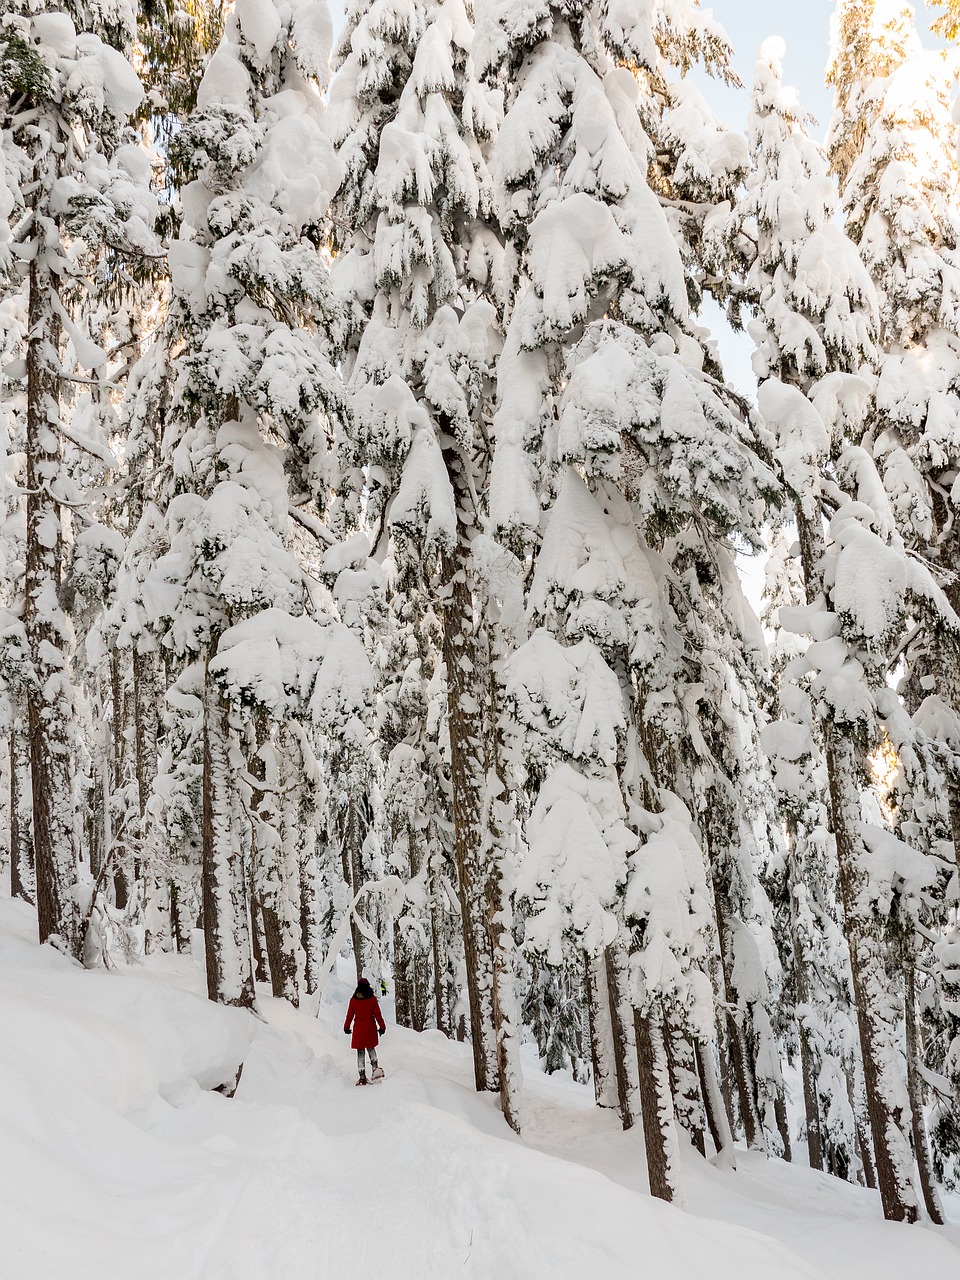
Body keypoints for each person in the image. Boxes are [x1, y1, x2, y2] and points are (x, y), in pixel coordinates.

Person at [344, 976, 386, 1085]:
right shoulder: (372, 999)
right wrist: (382, 1027)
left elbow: (349, 1015)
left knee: (360, 1052)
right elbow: (378, 1015)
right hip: (370, 1028)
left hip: (358, 1029)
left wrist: (346, 1027)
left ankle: (362, 1077)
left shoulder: (353, 1000)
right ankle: (375, 1069)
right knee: (371, 1049)